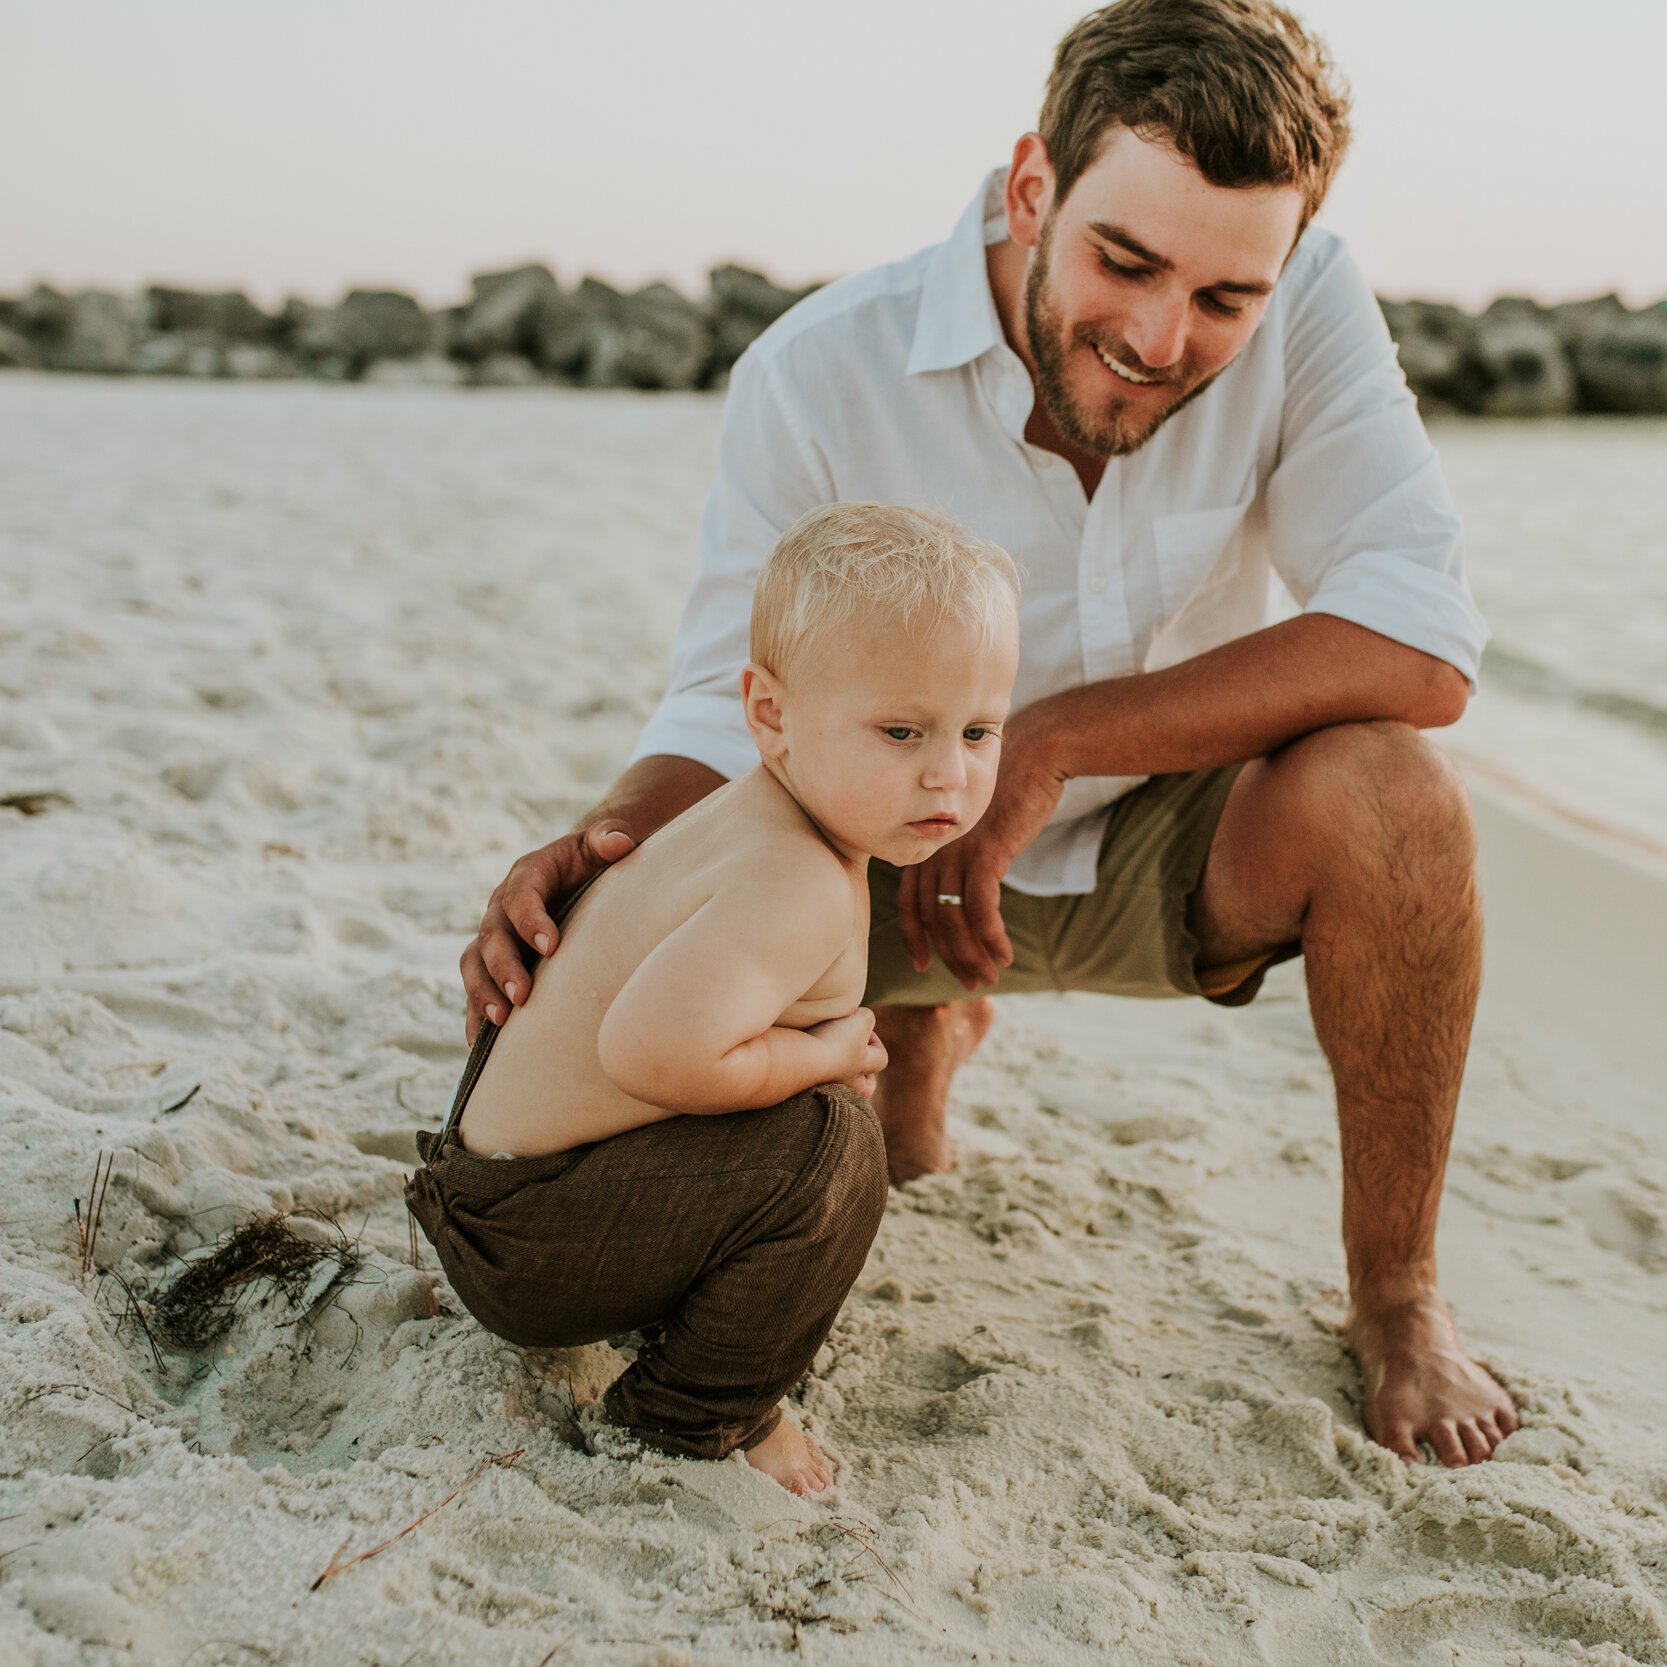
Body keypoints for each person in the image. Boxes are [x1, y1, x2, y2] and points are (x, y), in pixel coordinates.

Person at [460, 0, 1525, 1467]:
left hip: (1166, 829)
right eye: (1125, 261)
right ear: (1034, 187)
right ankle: (917, 1032)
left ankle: (1398, 1296)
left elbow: (1421, 637)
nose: (1163, 338)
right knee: (657, 953)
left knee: (1403, 794)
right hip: (881, 857)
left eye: (1226, 297)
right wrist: (611, 848)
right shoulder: (819, 368)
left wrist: (1057, 740)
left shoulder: (1313, 300)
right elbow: (727, 695)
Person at [410, 502, 1022, 1495]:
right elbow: (652, 1052)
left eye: (979, 728)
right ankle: (694, 1414)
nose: (947, 771)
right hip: (525, 1242)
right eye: (900, 730)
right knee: (828, 1146)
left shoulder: (751, 817)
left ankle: (671, 1304)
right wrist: (825, 1060)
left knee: (789, 1110)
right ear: (769, 712)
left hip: (502, 1188)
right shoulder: (795, 879)